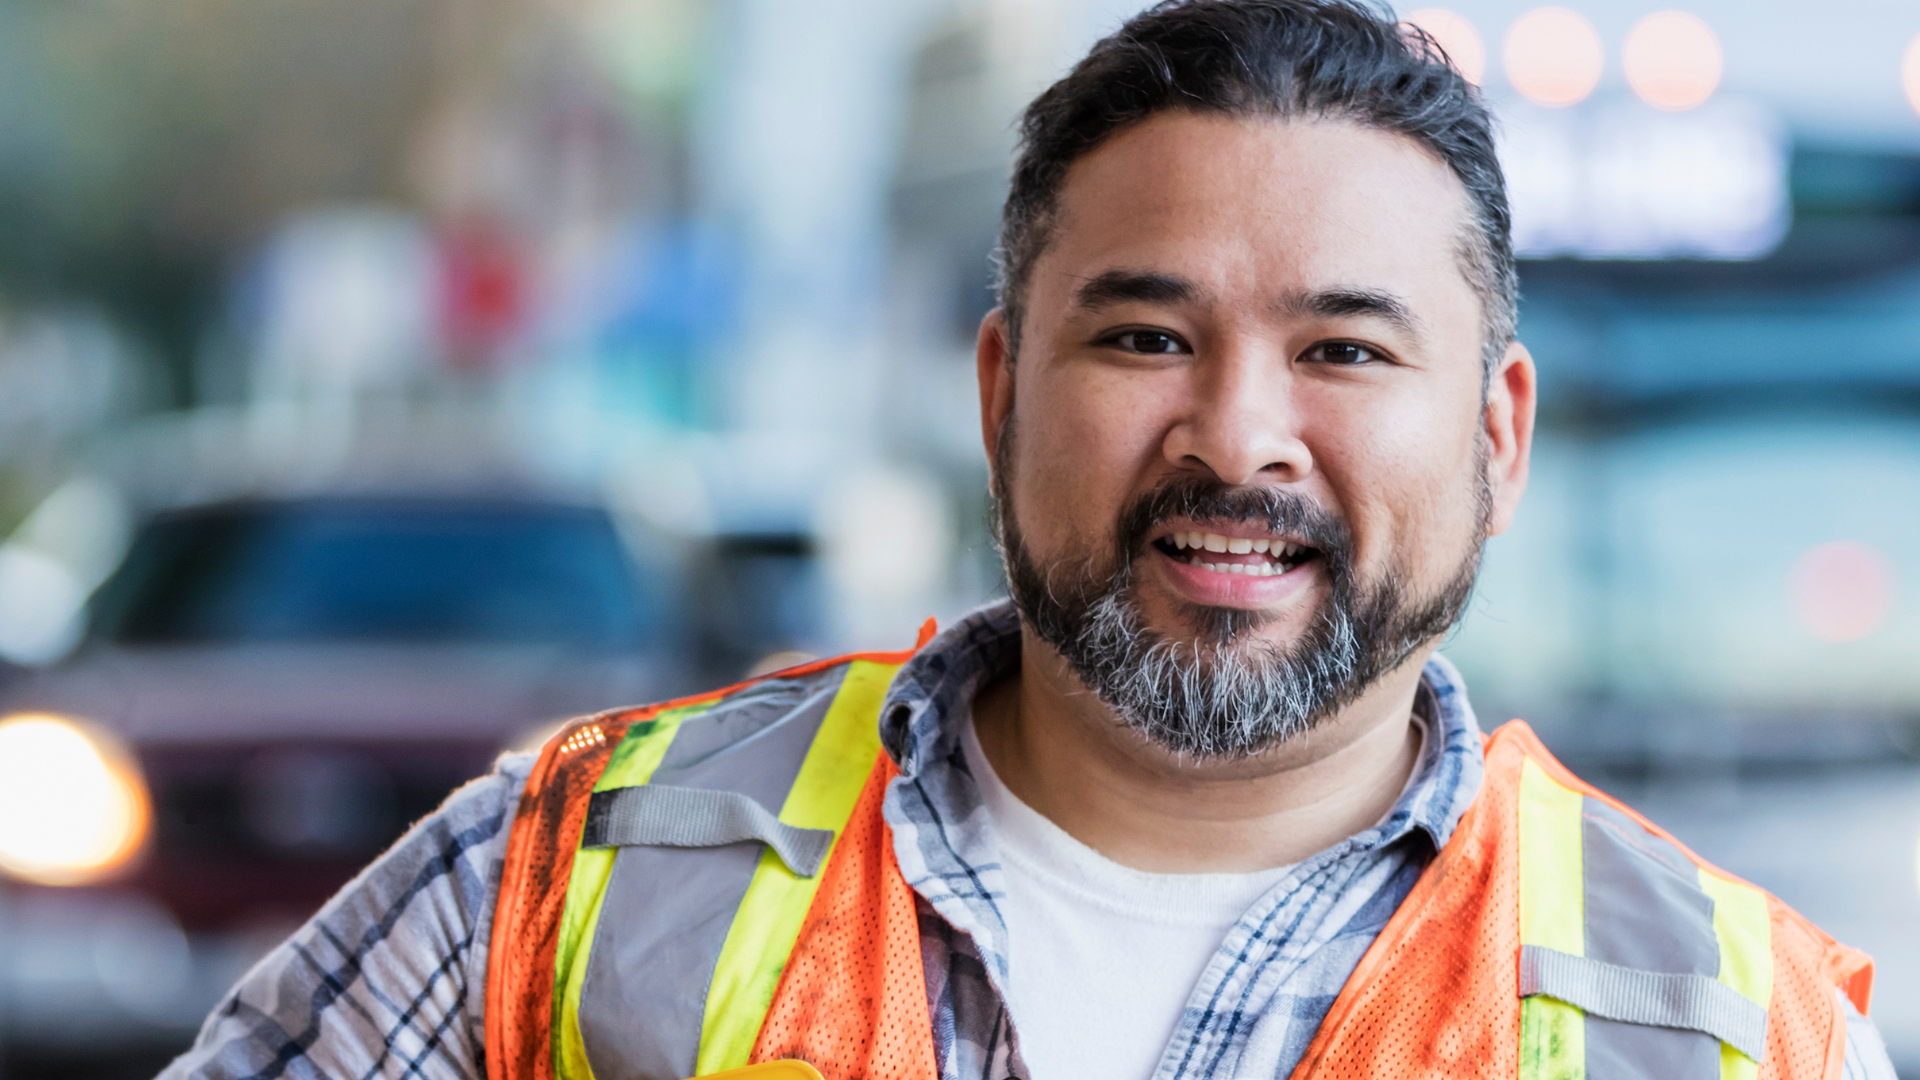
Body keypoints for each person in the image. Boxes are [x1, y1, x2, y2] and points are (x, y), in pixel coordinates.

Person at [159, 2, 1896, 1079]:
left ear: (1499, 436)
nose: (1236, 436)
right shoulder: (563, 891)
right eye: (1145, 337)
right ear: (998, 387)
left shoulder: (1738, 1033)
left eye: (1346, 352)